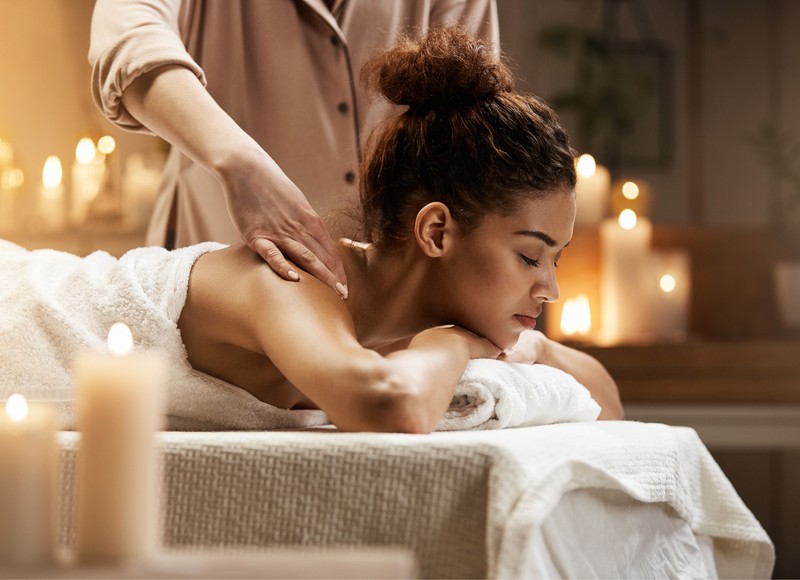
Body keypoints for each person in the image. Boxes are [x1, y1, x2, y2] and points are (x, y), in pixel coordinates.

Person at [2, 27, 623, 431]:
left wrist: (532, 347)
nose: (551, 290)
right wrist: (455, 345)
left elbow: (603, 402)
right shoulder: (292, 277)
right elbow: (389, 408)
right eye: (530, 257)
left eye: (556, 262)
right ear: (436, 232)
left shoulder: (393, 332)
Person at [88, 0, 499, 298]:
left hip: (389, 315)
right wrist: (240, 165)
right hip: (216, 287)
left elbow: (469, 130)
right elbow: (127, 37)